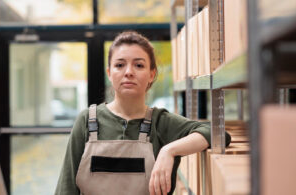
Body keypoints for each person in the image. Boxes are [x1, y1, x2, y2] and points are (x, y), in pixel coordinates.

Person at [55, 31, 231, 195]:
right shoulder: (87, 121)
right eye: (119, 65)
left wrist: (169, 151)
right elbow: (66, 188)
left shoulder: (161, 122)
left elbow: (218, 133)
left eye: (139, 65)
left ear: (152, 74)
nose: (129, 72)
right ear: (109, 73)